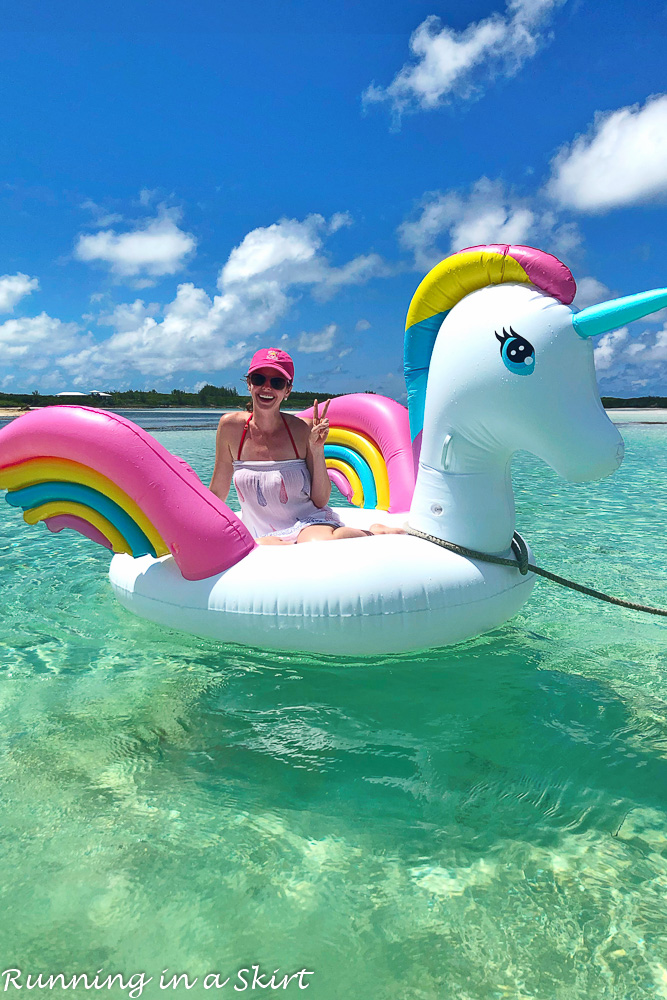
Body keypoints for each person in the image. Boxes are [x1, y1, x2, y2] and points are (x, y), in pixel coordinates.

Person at [209, 348, 405, 545]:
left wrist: (317, 449)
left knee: (314, 544)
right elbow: (218, 492)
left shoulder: (304, 430)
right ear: (250, 384)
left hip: (308, 524)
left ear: (287, 390)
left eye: (277, 382)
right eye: (259, 379)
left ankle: (373, 533)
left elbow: (320, 500)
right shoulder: (231, 428)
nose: (267, 387)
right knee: (268, 549)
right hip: (263, 534)